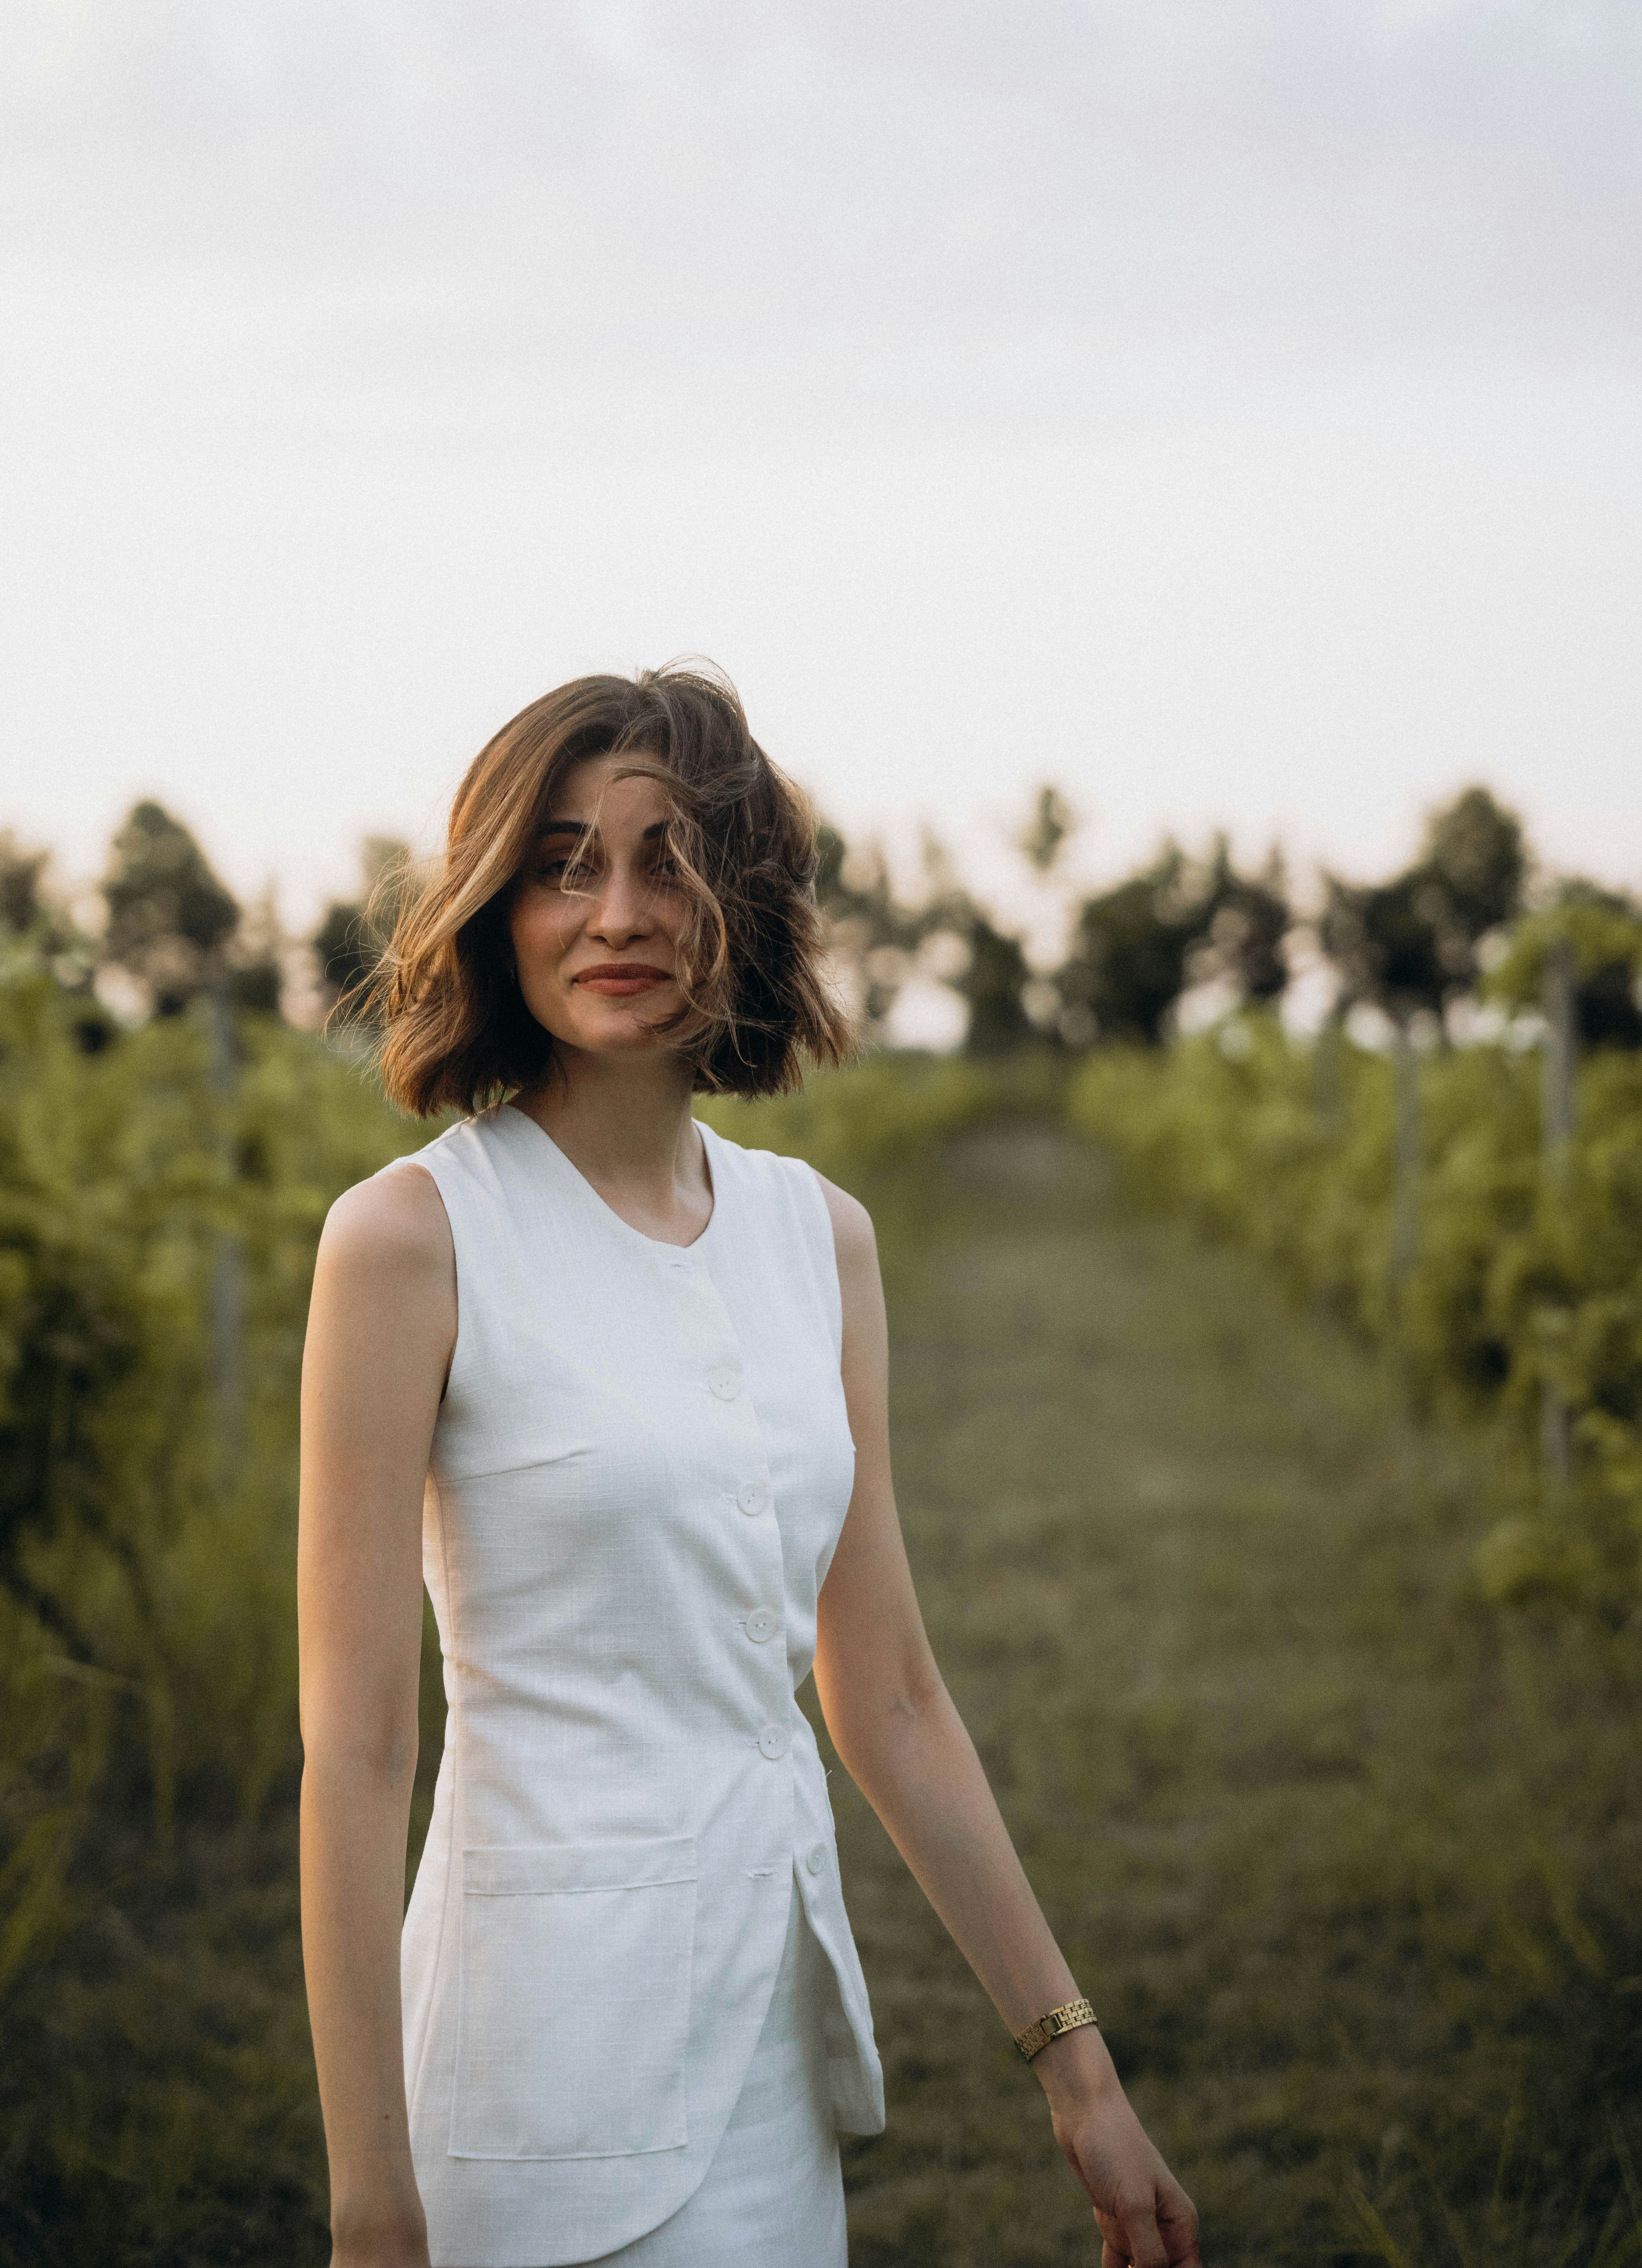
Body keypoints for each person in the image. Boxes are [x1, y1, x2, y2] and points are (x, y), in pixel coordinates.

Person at [298, 666, 1201, 2268]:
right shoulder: (413, 1241)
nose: (617, 911)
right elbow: (361, 1754)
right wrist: (373, 2198)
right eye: (566, 861)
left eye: (669, 860)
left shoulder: (820, 1239)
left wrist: (1081, 2072)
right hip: (527, 2092)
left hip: (772, 2077)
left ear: (744, 904)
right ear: (500, 905)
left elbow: (893, 1696)